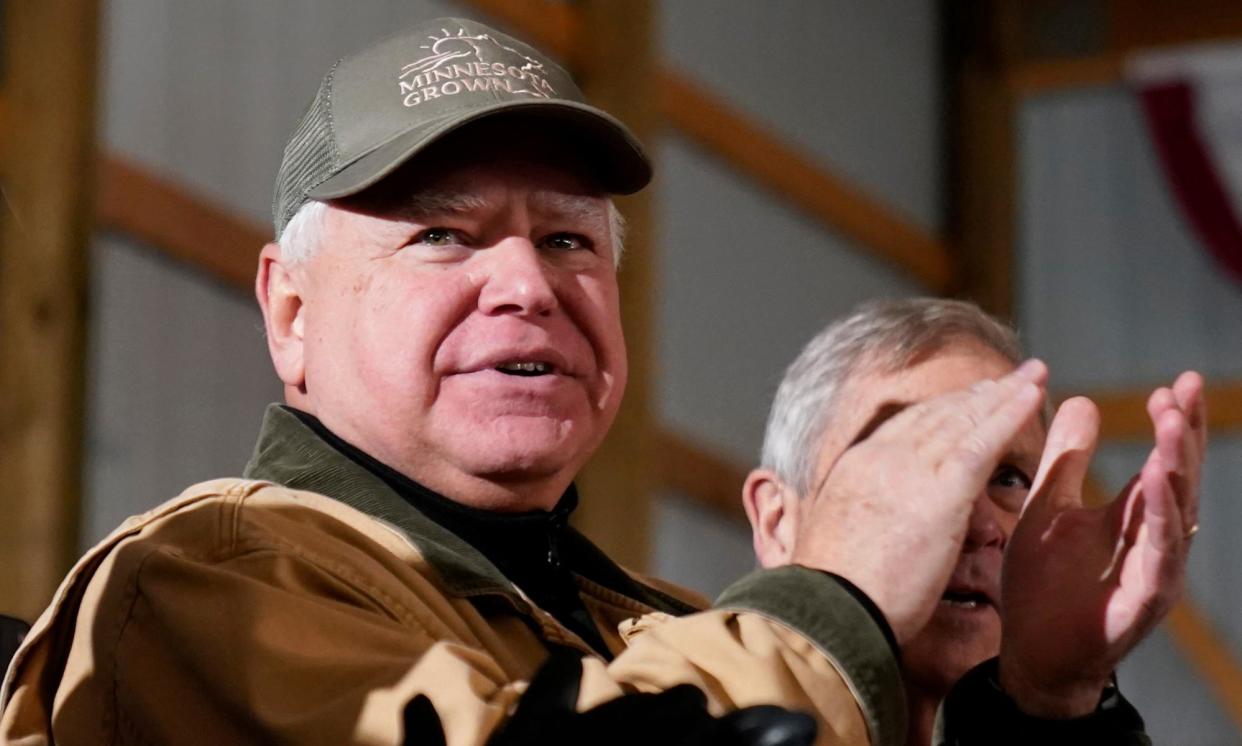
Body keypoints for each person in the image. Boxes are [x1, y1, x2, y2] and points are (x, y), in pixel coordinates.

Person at [0, 17, 1162, 746]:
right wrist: (830, 595)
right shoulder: (199, 587)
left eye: (569, 242)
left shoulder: (665, 630)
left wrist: (1050, 704)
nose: (528, 284)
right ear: (290, 312)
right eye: (444, 236)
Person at [743, 298, 1205, 745]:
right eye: (918, 463)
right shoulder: (673, 680)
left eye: (1008, 478)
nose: (980, 525)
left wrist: (1056, 710)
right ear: (776, 521)